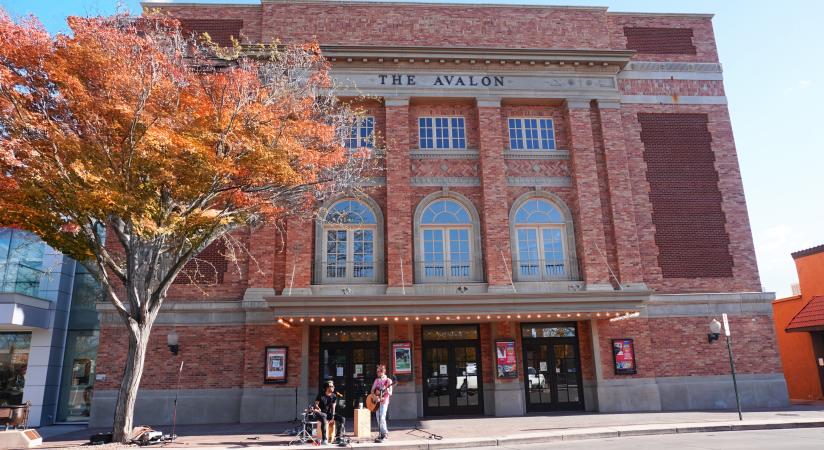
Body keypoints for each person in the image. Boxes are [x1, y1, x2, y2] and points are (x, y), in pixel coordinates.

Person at [312, 380, 345, 445]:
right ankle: (324, 439)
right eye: (332, 386)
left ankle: (338, 437)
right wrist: (317, 407)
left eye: (333, 386)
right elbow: (316, 404)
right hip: (320, 413)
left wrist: (332, 417)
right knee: (324, 417)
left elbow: (333, 407)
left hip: (328, 413)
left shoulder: (334, 396)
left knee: (342, 419)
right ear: (327, 387)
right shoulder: (321, 395)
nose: (333, 387)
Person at [371, 364, 393, 443]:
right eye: (377, 371)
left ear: (383, 371)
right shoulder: (377, 380)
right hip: (377, 401)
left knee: (382, 417)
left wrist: (387, 390)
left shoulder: (388, 381)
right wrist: (374, 397)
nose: (377, 373)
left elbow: (390, 393)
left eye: (378, 371)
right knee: (378, 417)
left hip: (384, 401)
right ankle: (381, 433)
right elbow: (372, 390)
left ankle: (385, 433)